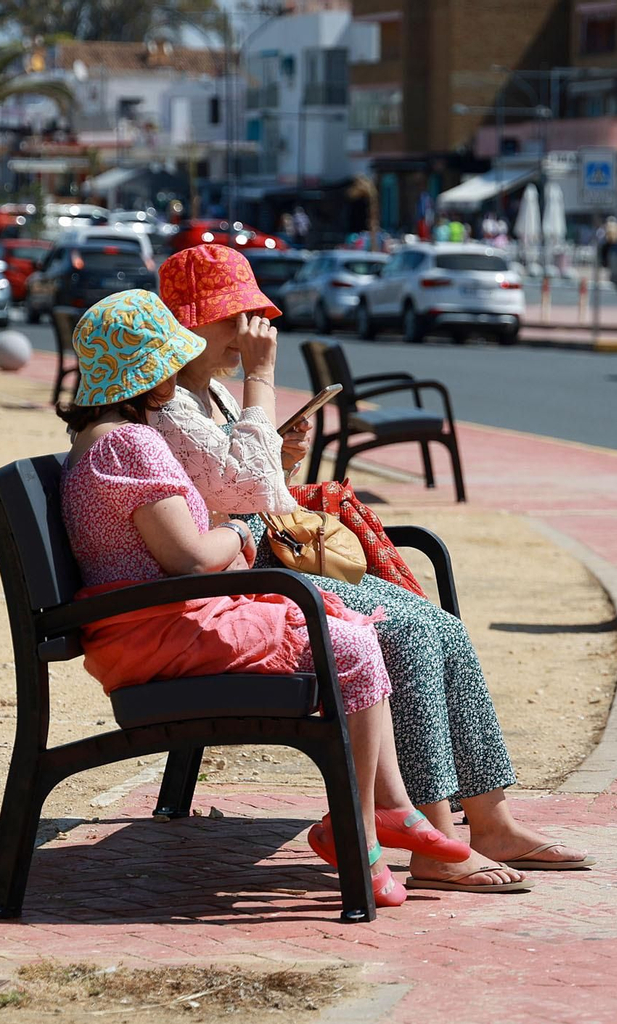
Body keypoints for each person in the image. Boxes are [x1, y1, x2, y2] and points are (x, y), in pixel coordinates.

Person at [152, 245, 595, 891]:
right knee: (407, 629)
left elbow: (252, 489)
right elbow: (241, 497)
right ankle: (434, 838)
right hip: (243, 578)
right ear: (185, 325)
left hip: (259, 557)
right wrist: (263, 379)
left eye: (255, 314)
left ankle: (490, 817)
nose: (251, 329)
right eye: (235, 316)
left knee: (439, 625)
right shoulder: (173, 406)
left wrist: (283, 449)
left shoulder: (210, 394)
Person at [57, 288, 476, 909]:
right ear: (148, 372)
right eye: (170, 362)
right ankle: (360, 828)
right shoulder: (131, 444)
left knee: (356, 629)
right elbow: (191, 559)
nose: (179, 372)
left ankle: (382, 811)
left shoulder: (107, 439)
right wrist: (242, 531)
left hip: (155, 624)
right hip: (161, 632)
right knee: (357, 644)